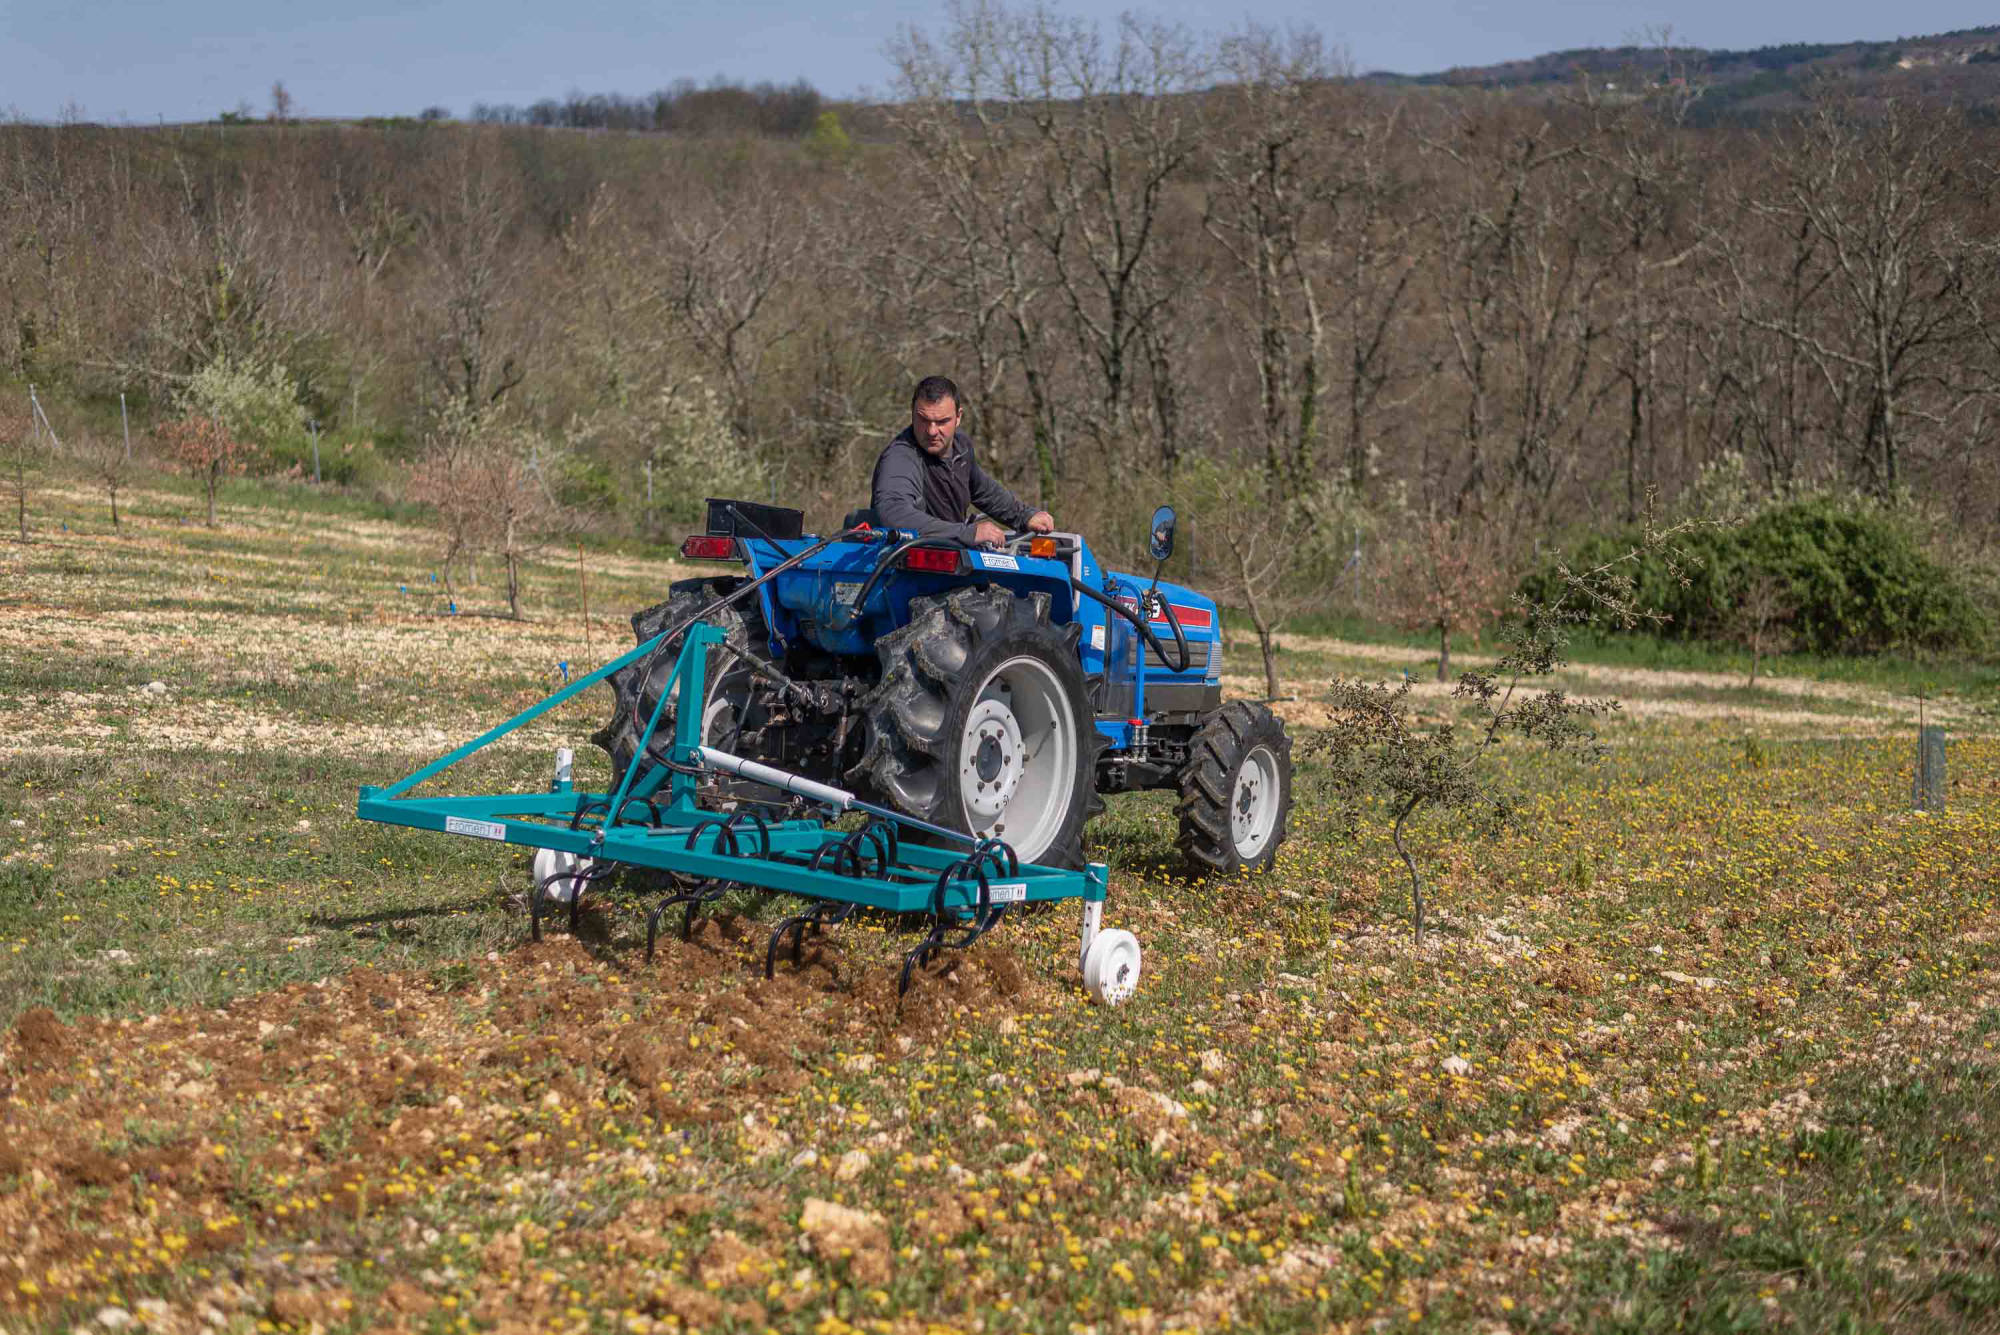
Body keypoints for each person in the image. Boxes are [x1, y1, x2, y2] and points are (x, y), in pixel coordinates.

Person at [870, 376, 1054, 547]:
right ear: (912, 413)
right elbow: (893, 512)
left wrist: (1024, 516)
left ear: (958, 417)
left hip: (954, 559)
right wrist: (966, 533)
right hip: (911, 568)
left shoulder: (961, 447)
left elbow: (983, 489)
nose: (932, 431)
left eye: (942, 421)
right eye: (923, 420)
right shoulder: (900, 457)